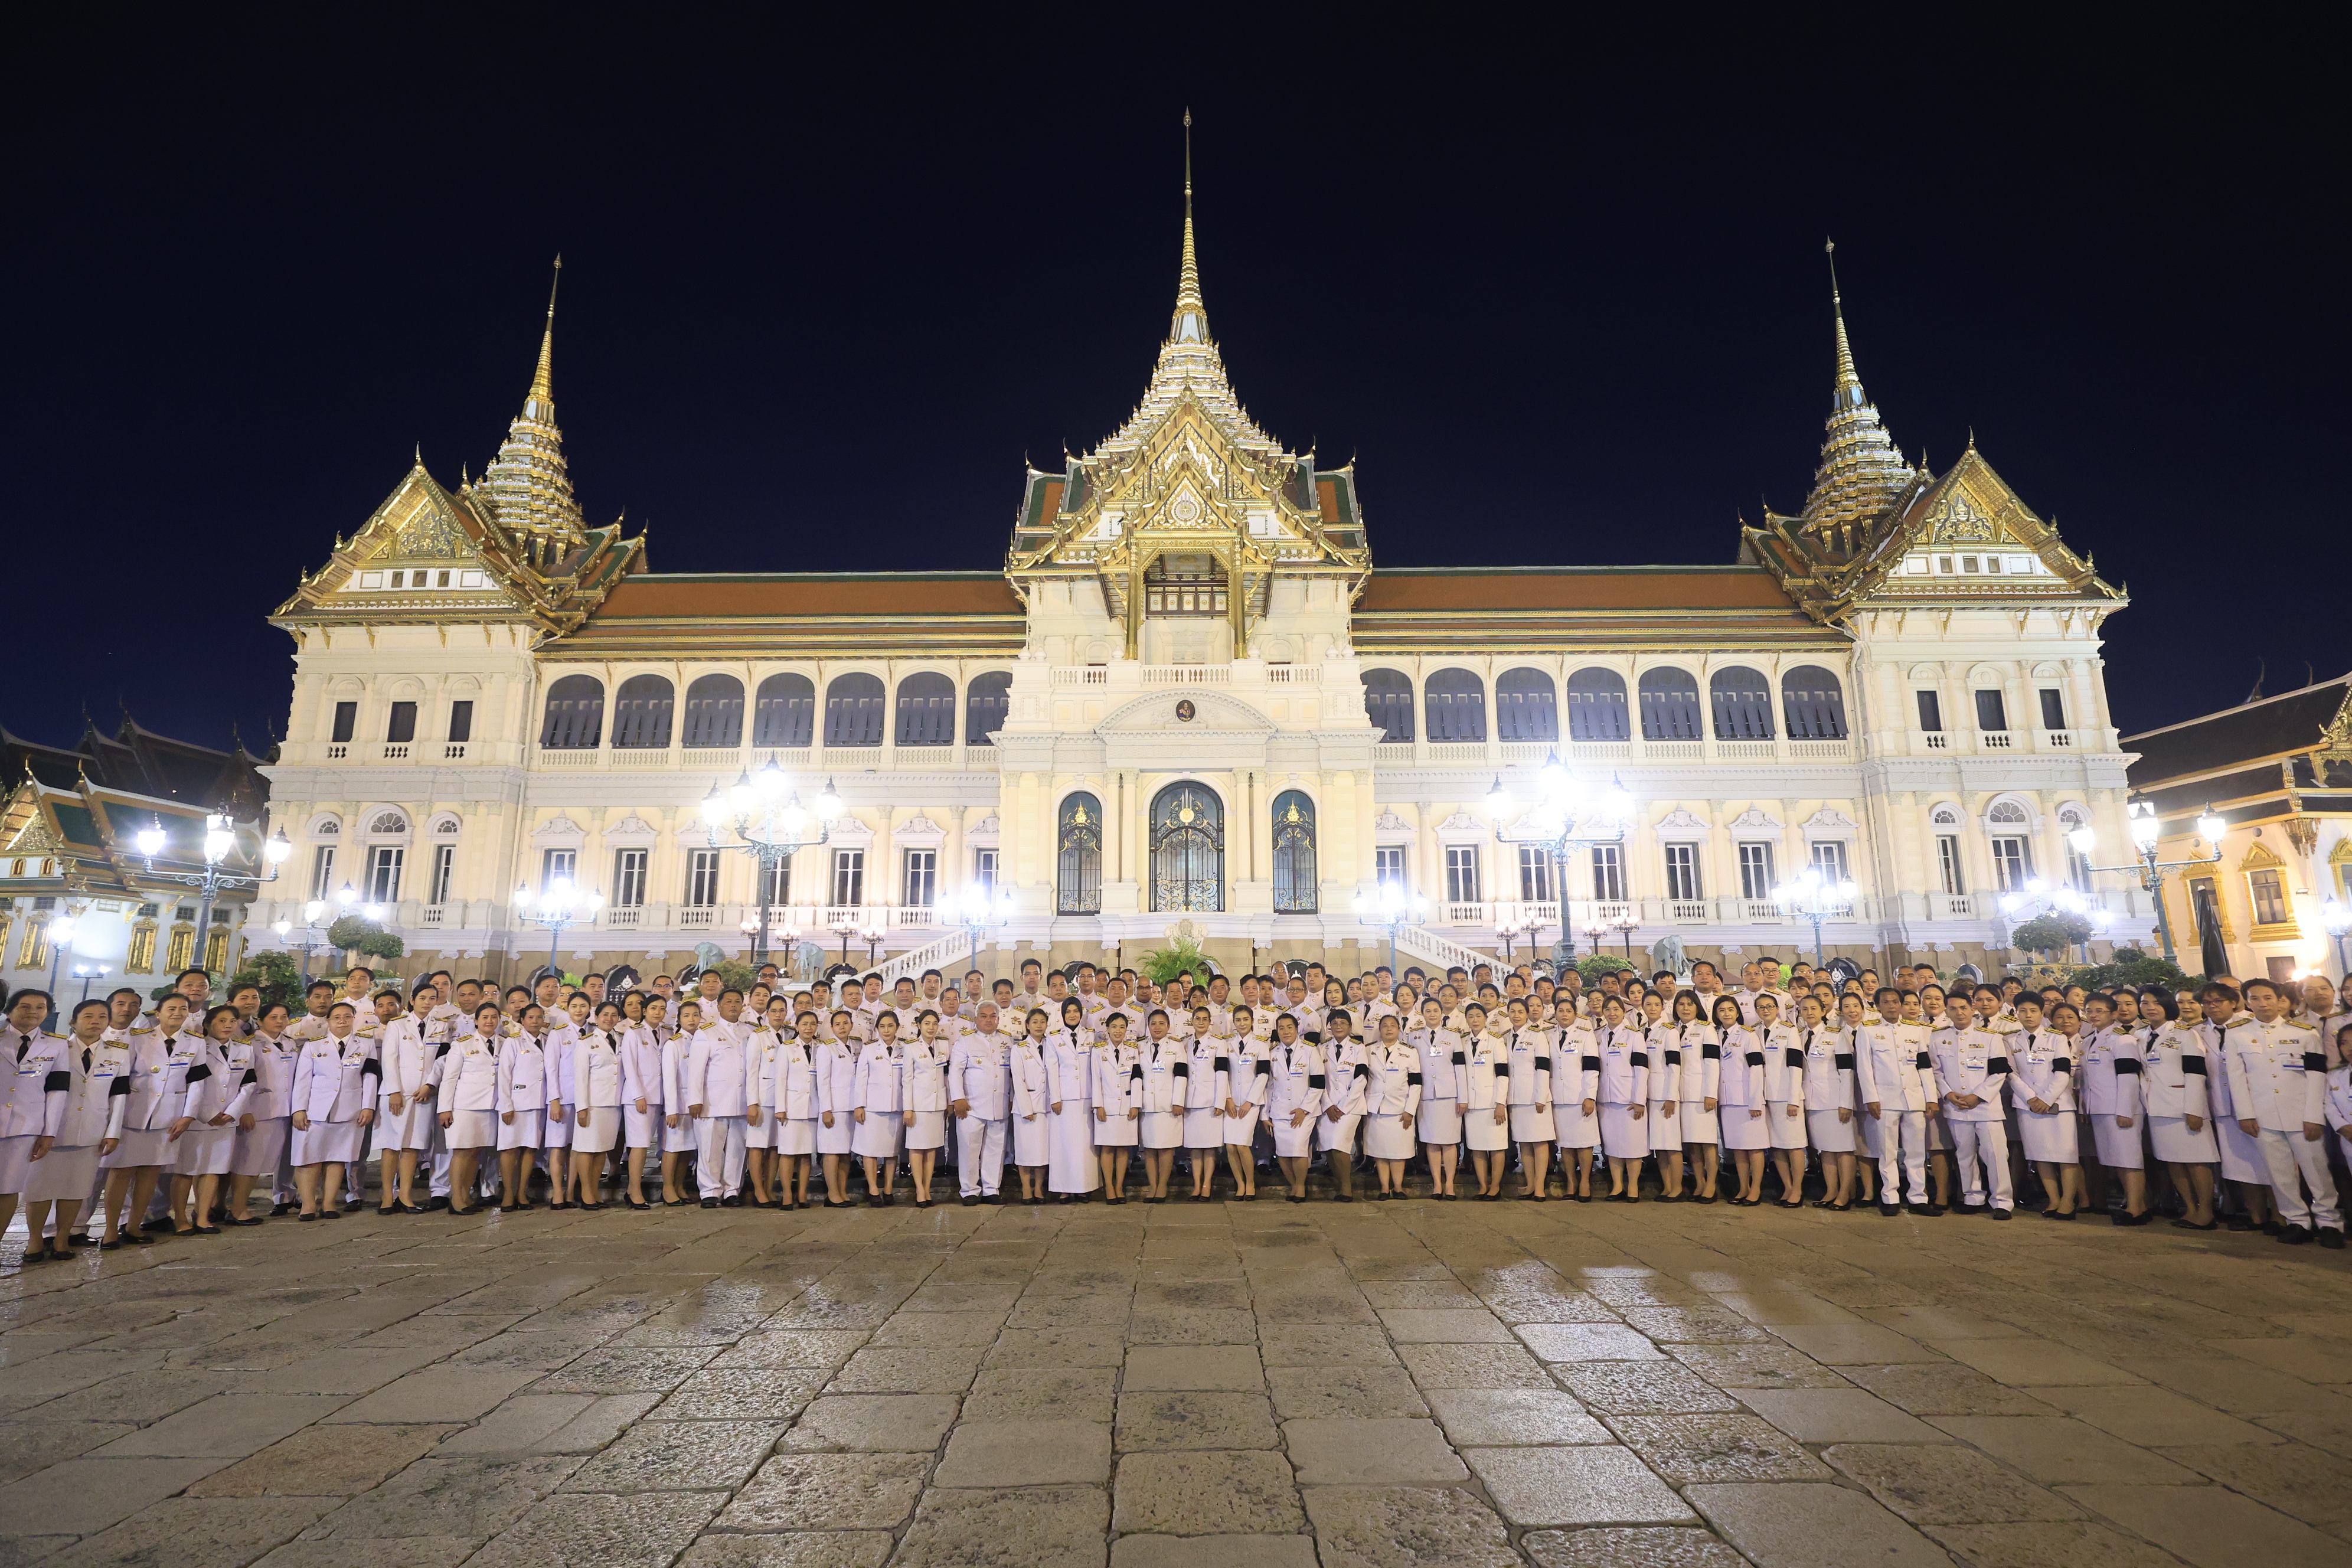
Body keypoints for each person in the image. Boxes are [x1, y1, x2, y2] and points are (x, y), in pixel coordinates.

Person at [2227, 976, 2342, 1246]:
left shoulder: (2305, 1033)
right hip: (2263, 1115)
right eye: (2255, 998)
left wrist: (2314, 1116)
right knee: (2279, 1174)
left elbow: (2316, 1077)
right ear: (2247, 1002)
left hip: (2301, 1114)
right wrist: (2245, 1114)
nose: (2263, 1004)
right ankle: (2297, 1221)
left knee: (2317, 1171)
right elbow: (2236, 1077)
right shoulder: (2236, 1034)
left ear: (2279, 1000)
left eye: (2268, 998)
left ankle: (2329, 1222)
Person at [20, 997, 126, 1261]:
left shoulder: (118, 1052)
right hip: (51, 1131)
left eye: (102, 1017)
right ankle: (35, 1240)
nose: (95, 1022)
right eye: (88, 1016)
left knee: (76, 1189)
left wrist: (113, 1131)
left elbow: (119, 1095)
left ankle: (62, 1238)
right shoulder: (56, 1048)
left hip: (91, 1131)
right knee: (39, 1188)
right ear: (73, 1021)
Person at [1931, 989, 2014, 1218]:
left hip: (1986, 1107)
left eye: (1963, 1008)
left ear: (1972, 1009)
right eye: (1953, 1009)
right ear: (1947, 1011)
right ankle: (1973, 1197)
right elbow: (1936, 1071)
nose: (1959, 1013)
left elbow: (1999, 1072)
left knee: (1995, 1154)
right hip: (1956, 1106)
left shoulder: (1990, 1037)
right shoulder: (1937, 1038)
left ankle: (2002, 1202)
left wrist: (1978, 1096)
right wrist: (1947, 1094)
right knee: (1965, 1155)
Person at [168, 1003, 250, 1234]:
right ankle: (180, 1218)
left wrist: (234, 1111)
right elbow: (191, 1082)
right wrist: (207, 1113)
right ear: (207, 1025)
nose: (228, 1026)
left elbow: (249, 1083)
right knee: (186, 1170)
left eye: (232, 1021)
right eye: (222, 1021)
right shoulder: (197, 1046)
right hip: (197, 1119)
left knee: (214, 1169)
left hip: (226, 1119)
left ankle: (203, 1217)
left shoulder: (244, 1049)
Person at [1856, 985, 1938, 1216]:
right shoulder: (1867, 1030)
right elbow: (1864, 1067)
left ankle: (1918, 1198)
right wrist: (1871, 1098)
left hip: (1914, 1098)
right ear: (1878, 1006)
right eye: (1886, 1002)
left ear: (1901, 1005)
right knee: (1888, 1151)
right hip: (1885, 1099)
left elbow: (1924, 1065)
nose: (1891, 1006)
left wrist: (1931, 1098)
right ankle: (1890, 1197)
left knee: (1916, 1152)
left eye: (1895, 1002)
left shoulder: (1915, 1030)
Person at [292, 1002, 375, 1220]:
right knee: (308, 1157)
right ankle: (308, 1204)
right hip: (315, 1110)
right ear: (328, 1021)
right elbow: (302, 1080)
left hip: (349, 1110)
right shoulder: (314, 1046)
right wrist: (299, 1109)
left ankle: (329, 1203)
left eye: (347, 1017)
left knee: (338, 1158)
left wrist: (368, 1106)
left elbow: (370, 1076)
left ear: (354, 1019)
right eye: (337, 1017)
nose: (342, 1021)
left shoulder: (366, 1044)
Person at [2010, 995, 2082, 1219]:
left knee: (2066, 1155)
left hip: (2058, 1104)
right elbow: (2011, 1074)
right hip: (2027, 1106)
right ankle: (2054, 1200)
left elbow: (2063, 1072)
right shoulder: (2009, 1040)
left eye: (2033, 1010)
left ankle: (2068, 1202)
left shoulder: (2057, 1038)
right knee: (2039, 1154)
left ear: (2042, 1013)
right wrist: (2030, 1098)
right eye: (2023, 1011)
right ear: (2016, 1013)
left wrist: (2046, 1099)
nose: (2028, 1015)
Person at [437, 1001, 503, 1216]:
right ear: (476, 1021)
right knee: (462, 1152)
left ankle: (466, 1196)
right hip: (465, 1107)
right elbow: (449, 1078)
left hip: (491, 1107)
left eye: (494, 1017)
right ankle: (456, 1199)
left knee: (476, 1153)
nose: (489, 1021)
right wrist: (445, 1108)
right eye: (485, 1017)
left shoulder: (505, 1043)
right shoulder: (462, 1045)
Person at [686, 996, 750, 1207]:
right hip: (713, 1101)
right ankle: (709, 1191)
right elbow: (696, 1070)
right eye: (728, 1002)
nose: (733, 1005)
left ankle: (732, 1190)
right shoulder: (707, 1032)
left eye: (737, 1002)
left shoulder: (749, 1031)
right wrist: (695, 1099)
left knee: (737, 1150)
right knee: (710, 1149)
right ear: (720, 1006)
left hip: (741, 1101)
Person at [1713, 995, 1769, 1206]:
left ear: (1738, 1012)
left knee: (1754, 1147)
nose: (1726, 1014)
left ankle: (1756, 1189)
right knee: (1738, 1147)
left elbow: (1756, 1068)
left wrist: (1755, 1101)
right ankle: (1743, 1187)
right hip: (1727, 1100)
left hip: (1747, 1100)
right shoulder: (1715, 1035)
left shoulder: (1748, 1035)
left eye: (1730, 1010)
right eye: (1722, 1010)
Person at [570, 1001, 626, 1210]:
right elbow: (580, 1078)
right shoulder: (586, 1043)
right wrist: (582, 1108)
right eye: (605, 1015)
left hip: (613, 1104)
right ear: (596, 1017)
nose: (609, 1019)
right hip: (593, 1104)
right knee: (587, 1149)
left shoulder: (620, 1039)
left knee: (602, 1149)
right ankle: (586, 1193)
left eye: (614, 1015)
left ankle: (595, 1192)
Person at [495, 1002, 550, 1212]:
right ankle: (509, 1194)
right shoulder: (514, 1041)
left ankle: (522, 1192)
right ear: (523, 1020)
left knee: (530, 1148)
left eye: (539, 1017)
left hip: (538, 1103)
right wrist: (506, 1105)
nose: (535, 1021)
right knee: (510, 1148)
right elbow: (504, 1075)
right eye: (530, 1018)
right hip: (516, 1104)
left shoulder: (547, 1041)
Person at [1668, 989, 1721, 1202]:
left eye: (1690, 1004)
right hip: (1681, 1094)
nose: (1685, 1008)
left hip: (1701, 1093)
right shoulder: (1671, 1030)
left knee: (1707, 1142)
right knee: (1692, 1143)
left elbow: (1712, 1063)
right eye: (1681, 1004)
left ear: (1697, 1006)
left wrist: (1711, 1093)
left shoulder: (1706, 1029)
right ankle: (1699, 1183)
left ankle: (1711, 1184)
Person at [1593, 996, 1648, 1201]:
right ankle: (1617, 1186)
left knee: (1632, 1145)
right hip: (1605, 1097)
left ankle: (1633, 1186)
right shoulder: (1597, 1035)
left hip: (1628, 1098)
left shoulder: (1634, 1036)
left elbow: (1642, 1069)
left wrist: (1639, 1099)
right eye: (1608, 1009)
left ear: (1624, 1012)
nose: (1612, 1013)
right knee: (1612, 1145)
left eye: (1616, 1009)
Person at [1266, 1012, 1325, 1203]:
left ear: (1297, 1029)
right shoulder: (1272, 1053)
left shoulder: (1310, 1051)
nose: (1286, 1031)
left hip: (1304, 1110)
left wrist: (1304, 1109)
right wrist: (1265, 1114)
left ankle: (1300, 1187)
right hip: (1279, 1110)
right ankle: (1294, 1185)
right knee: (1283, 1152)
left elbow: (1318, 1084)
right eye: (1281, 1028)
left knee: (1299, 1148)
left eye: (1290, 1027)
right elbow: (1268, 1086)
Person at [1043, 1002, 1099, 1203]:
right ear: (1062, 1014)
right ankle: (1064, 1189)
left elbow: (1097, 1068)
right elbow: (1052, 1069)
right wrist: (1055, 1098)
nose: (1072, 1015)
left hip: (1086, 1097)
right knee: (1064, 1145)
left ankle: (1084, 1188)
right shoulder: (1053, 1038)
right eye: (1068, 1011)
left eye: (1076, 1011)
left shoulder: (1092, 1036)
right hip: (1064, 1100)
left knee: (1085, 1147)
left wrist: (1097, 1099)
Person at [851, 1010, 908, 1206]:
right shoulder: (869, 1049)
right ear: (877, 1029)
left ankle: (889, 1189)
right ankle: (874, 1189)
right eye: (882, 1026)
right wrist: (859, 1105)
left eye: (890, 1026)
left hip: (896, 1106)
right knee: (871, 1150)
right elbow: (861, 1079)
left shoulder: (905, 1047)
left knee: (892, 1150)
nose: (886, 1030)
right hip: (873, 1107)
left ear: (897, 1027)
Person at [1410, 997, 1464, 1200]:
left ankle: (1450, 1183)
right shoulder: (1413, 1037)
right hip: (1425, 1095)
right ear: (1422, 1014)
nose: (1432, 1014)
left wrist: (1463, 1097)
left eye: (1435, 1010)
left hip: (1449, 1096)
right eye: (1428, 1011)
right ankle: (1437, 1184)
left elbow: (1460, 1068)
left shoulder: (1453, 1036)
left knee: (1449, 1142)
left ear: (1442, 1013)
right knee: (1431, 1142)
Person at [1363, 1014, 1421, 1198]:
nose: (1389, 1029)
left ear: (1399, 1030)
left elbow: (1416, 1084)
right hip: (1376, 1108)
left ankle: (1398, 1187)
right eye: (1385, 1026)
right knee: (1380, 1150)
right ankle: (1384, 1188)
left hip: (1400, 1108)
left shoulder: (1410, 1052)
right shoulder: (1368, 1050)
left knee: (1399, 1151)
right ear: (1380, 1030)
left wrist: (1410, 1110)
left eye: (1393, 1026)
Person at [1502, 998, 1553, 1200]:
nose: (1516, 1016)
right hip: (1515, 1098)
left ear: (1527, 1014)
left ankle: (1540, 1187)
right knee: (1524, 1143)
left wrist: (1541, 1096)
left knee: (1539, 1142)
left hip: (1535, 1097)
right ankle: (1530, 1184)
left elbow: (1543, 1067)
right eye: (1512, 1011)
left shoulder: (1537, 1036)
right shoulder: (1505, 1037)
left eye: (1520, 1012)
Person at [616, 998, 664, 1210]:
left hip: (659, 1096)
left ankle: (632, 1190)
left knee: (646, 1145)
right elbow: (630, 1067)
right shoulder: (633, 1033)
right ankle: (634, 1190)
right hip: (639, 1098)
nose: (658, 1012)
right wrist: (638, 1096)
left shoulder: (667, 1033)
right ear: (645, 1011)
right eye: (653, 1008)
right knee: (639, 1145)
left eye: (662, 1008)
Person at [1092, 1010, 1144, 1202]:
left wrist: (1135, 1105)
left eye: (1122, 1027)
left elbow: (1137, 1079)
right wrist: (1098, 1105)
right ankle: (1109, 1187)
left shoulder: (1132, 1050)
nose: (1118, 1031)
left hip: (1127, 1106)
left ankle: (1120, 1187)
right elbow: (1096, 1080)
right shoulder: (1098, 1051)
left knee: (1123, 1149)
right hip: (1106, 1106)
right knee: (1107, 1148)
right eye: (1114, 1027)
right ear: (1107, 1029)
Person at [901, 1011, 951, 1209]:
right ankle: (919, 1190)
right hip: (918, 1105)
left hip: (938, 1104)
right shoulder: (911, 1047)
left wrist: (948, 1102)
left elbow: (946, 1075)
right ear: (919, 1025)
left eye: (935, 1023)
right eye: (927, 1023)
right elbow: (907, 1080)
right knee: (917, 1147)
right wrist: (908, 1108)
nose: (931, 1027)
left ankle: (927, 1188)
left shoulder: (944, 1045)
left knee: (932, 1148)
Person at [1136, 1010, 1187, 1203]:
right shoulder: (1139, 1046)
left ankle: (1163, 1185)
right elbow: (1136, 1076)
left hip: (1168, 1105)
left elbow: (1181, 1075)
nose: (1157, 1027)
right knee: (1149, 1148)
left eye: (1161, 1023)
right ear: (1148, 1026)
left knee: (1166, 1148)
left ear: (1168, 1026)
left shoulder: (1177, 1046)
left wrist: (1178, 1101)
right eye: (1153, 1024)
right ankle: (1153, 1186)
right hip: (1147, 1105)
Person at [1317, 1008, 1367, 1201]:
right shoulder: (1322, 1048)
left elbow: (1361, 1079)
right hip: (1327, 1106)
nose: (1338, 1026)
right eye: (1334, 1023)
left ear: (1350, 1026)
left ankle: (1347, 1188)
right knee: (1328, 1147)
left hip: (1350, 1107)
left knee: (1339, 1145)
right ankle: (1339, 1185)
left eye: (1343, 1023)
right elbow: (1318, 1080)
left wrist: (1343, 1107)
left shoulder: (1358, 1048)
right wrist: (1328, 1105)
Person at [813, 1006, 860, 1207]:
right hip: (834, 1107)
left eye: (845, 1023)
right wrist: (826, 1109)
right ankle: (832, 1194)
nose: (842, 1027)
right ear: (831, 1027)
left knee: (846, 1153)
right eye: (838, 1024)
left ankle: (842, 1191)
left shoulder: (857, 1045)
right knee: (832, 1151)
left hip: (852, 1106)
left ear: (851, 1025)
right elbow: (822, 1081)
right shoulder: (827, 1048)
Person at [1221, 1004, 1268, 1200]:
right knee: (1230, 1147)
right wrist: (1227, 1098)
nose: (1242, 1023)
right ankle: (1240, 1184)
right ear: (1234, 1022)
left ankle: (1250, 1182)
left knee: (1242, 1145)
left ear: (1252, 1021)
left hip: (1251, 1102)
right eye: (1238, 1020)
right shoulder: (1226, 1043)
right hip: (1231, 1102)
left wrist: (1250, 1102)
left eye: (1246, 1019)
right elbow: (1223, 1074)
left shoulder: (1261, 1044)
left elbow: (1263, 1075)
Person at [1180, 1005, 1225, 1200]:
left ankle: (1207, 1184)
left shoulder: (1218, 1044)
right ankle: (1197, 1185)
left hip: (1210, 1102)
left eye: (1205, 1019)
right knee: (1195, 1147)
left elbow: (1222, 1074)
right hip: (1190, 1102)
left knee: (1210, 1147)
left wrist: (1220, 1101)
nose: (1201, 1022)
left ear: (1210, 1022)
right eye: (1197, 1019)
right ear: (1192, 1021)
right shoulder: (1183, 1043)